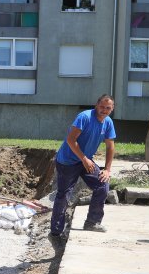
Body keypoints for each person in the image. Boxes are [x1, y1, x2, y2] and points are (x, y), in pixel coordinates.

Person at [49, 95, 116, 243]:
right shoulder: (84, 117)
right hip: (67, 161)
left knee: (102, 185)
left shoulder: (108, 122)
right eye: (102, 107)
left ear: (112, 109)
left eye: (108, 108)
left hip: (85, 161)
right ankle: (55, 233)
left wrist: (107, 169)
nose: (104, 110)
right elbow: (71, 140)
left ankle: (92, 222)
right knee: (64, 195)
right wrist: (84, 159)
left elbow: (110, 146)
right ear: (96, 105)